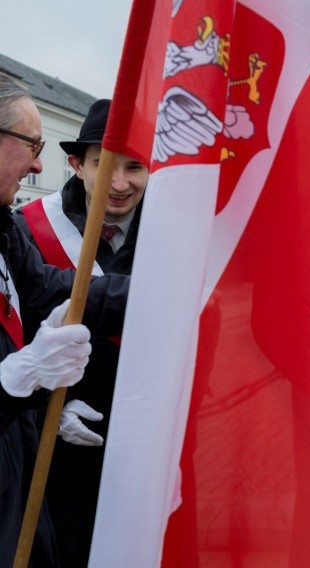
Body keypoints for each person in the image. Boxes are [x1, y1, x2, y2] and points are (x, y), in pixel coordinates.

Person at [0, 76, 128, 567]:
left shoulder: (5, 228)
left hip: (19, 464)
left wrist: (164, 296)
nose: (38, 164)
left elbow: (55, 289)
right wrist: (11, 381)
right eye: (32, 145)